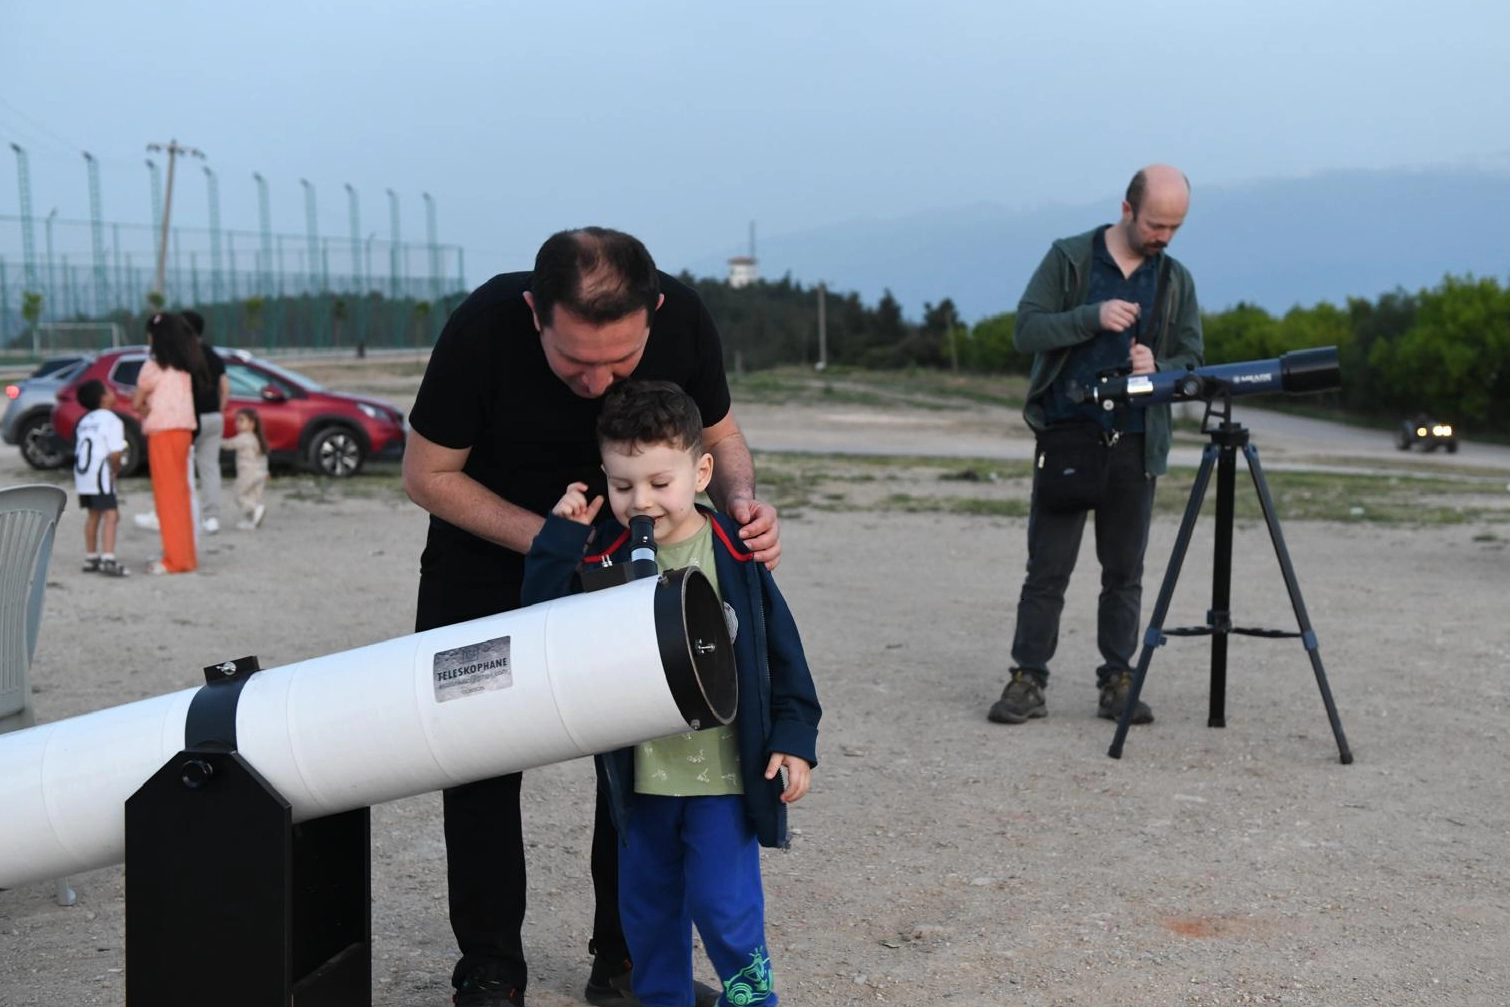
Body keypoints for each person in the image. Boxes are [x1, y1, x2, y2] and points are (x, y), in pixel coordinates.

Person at [402, 227, 780, 1007]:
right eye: (576, 360)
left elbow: (722, 435)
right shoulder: (480, 329)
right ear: (536, 313)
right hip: (486, 559)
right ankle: (491, 969)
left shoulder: (687, 322)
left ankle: (625, 960)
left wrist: (741, 501)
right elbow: (427, 474)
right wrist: (555, 541)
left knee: (634, 748)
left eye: (622, 359)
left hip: (629, 562)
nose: (600, 381)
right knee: (476, 763)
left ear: (656, 312)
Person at [523, 380, 820, 1007]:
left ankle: (752, 1003)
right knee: (649, 920)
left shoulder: (736, 555)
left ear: (701, 469)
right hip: (643, 787)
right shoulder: (602, 557)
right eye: (623, 485)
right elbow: (541, 630)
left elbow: (782, 656)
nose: (642, 500)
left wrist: (795, 740)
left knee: (726, 912)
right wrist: (556, 544)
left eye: (661, 482)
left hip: (724, 781)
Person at [989, 164, 1204, 727]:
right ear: (1128, 209)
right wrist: (1093, 317)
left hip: (1136, 443)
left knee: (1124, 570)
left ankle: (1118, 680)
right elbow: (1026, 330)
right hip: (1068, 437)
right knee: (1048, 568)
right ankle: (1027, 679)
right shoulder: (1071, 258)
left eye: (1175, 227)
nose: (1164, 237)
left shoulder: (1175, 279)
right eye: (1157, 223)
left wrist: (1159, 367)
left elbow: (1193, 360)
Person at [132, 312, 209, 575]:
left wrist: (145, 409)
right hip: (183, 431)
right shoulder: (185, 367)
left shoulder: (153, 367)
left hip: (162, 433)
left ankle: (174, 560)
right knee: (181, 494)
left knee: (167, 497)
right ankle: (184, 555)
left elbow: (136, 401)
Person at [73, 378, 129, 577]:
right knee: (111, 515)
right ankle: (108, 559)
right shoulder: (112, 420)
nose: (113, 392)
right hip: (100, 475)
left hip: (83, 476)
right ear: (103, 398)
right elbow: (115, 453)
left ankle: (91, 557)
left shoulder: (85, 421)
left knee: (93, 514)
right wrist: (115, 471)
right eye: (109, 390)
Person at [182, 309, 230, 535]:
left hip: (189, 419)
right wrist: (218, 409)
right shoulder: (212, 353)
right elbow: (225, 387)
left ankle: (183, 514)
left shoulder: (181, 354)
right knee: (210, 468)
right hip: (213, 416)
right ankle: (211, 518)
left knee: (183, 468)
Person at [225, 407, 269, 530]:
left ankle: (255, 509)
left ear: (251, 424)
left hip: (247, 473)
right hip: (259, 472)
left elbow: (229, 444)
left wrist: (216, 442)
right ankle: (251, 521)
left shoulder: (244, 438)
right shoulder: (257, 439)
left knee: (239, 495)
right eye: (237, 420)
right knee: (250, 495)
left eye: (241, 420)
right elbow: (263, 457)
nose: (237, 423)